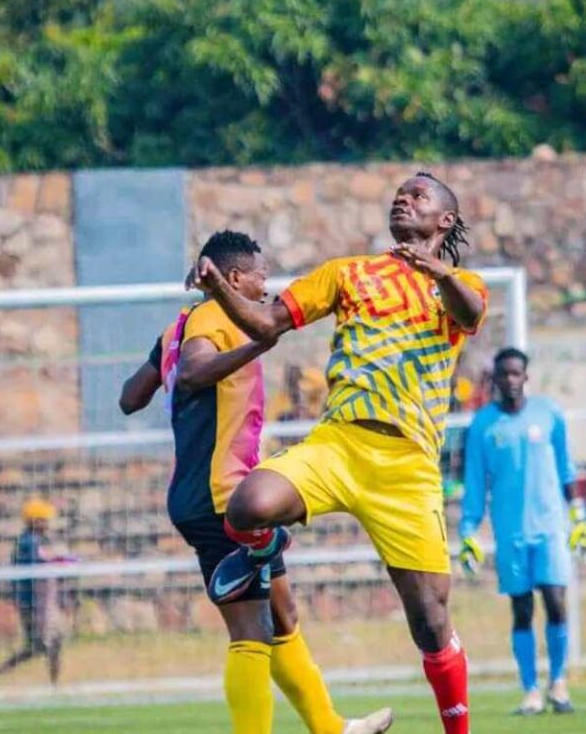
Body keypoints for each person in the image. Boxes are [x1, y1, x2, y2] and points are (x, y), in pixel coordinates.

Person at [190, 173, 488, 734]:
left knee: (429, 621)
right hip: (340, 441)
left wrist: (441, 274)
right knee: (247, 506)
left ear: (445, 220)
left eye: (418, 194)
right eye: (399, 192)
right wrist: (218, 289)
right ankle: (262, 547)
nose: (404, 197)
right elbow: (266, 322)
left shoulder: (460, 283)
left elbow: (470, 316)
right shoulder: (347, 272)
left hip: (407, 466)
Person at [120, 229, 391, 734]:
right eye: (261, 275)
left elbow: (130, 397)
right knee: (251, 631)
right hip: (218, 498)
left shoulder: (177, 327)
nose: (267, 285)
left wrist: (168, 368)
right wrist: (256, 346)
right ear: (236, 277)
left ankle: (332, 728)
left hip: (226, 495)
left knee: (283, 617)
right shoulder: (211, 318)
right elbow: (199, 372)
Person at [458, 348, 586, 716]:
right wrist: (468, 530)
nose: (510, 380)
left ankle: (559, 683)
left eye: (516, 374)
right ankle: (531, 689)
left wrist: (579, 515)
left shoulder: (548, 415)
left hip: (550, 529)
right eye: (504, 375)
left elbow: (567, 469)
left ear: (526, 377)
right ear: (495, 380)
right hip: (510, 533)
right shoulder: (484, 425)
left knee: (555, 602)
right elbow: (474, 483)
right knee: (521, 609)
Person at [0, 498, 70, 686]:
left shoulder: (33, 541)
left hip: (38, 602)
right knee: (43, 645)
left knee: (44, 644)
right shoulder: (28, 543)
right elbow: (36, 569)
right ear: (35, 521)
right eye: (44, 520)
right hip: (33, 603)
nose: (48, 524)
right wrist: (56, 561)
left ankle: (53, 684)